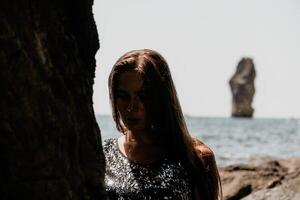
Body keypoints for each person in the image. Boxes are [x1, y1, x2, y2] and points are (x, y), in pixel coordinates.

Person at [103, 49, 222, 200]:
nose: (132, 107)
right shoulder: (103, 156)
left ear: (161, 98)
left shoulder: (195, 158)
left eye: (144, 96)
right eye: (123, 96)